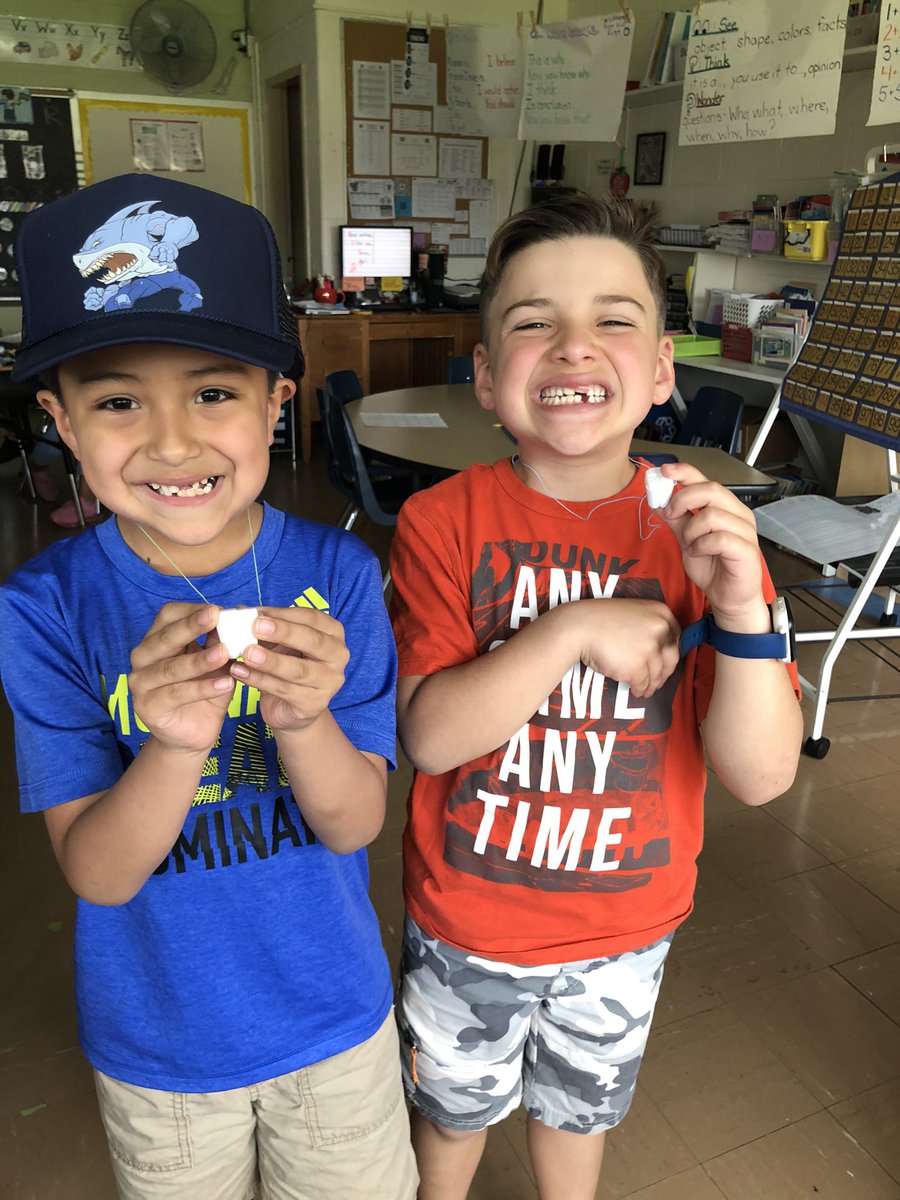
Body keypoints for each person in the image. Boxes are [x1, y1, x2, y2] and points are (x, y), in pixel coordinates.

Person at [0, 174, 417, 1200]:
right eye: (117, 401)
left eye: (215, 392)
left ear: (277, 402)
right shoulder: (44, 609)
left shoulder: (341, 576)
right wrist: (177, 742)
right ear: (61, 419)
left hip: (334, 1020)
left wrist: (306, 721)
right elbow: (99, 875)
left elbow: (356, 822)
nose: (174, 442)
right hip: (162, 1050)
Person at [388, 192, 803, 1200]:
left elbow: (760, 775)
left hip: (626, 930)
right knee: (450, 1125)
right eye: (534, 322)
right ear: (486, 377)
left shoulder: (705, 533)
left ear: (660, 370)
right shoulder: (442, 522)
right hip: (469, 924)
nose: (574, 346)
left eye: (612, 320)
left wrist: (740, 606)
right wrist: (572, 629)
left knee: (577, 1127)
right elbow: (430, 739)